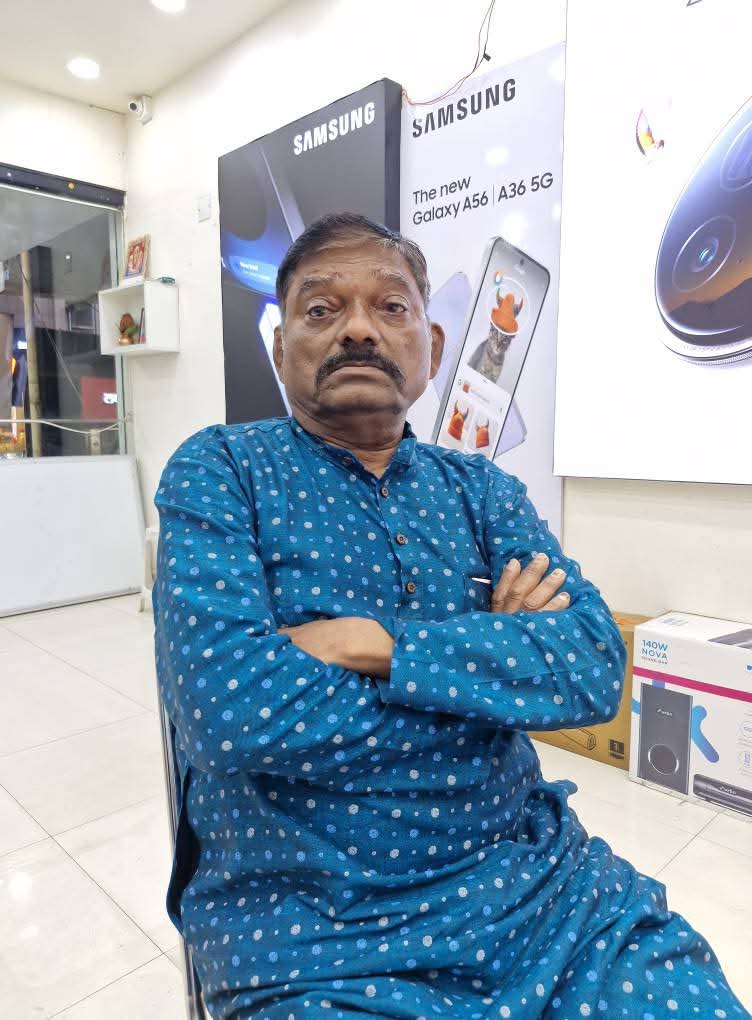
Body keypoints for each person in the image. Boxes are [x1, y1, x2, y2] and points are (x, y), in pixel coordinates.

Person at [153, 213, 748, 1020]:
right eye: (322, 309)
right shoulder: (222, 470)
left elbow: (594, 667)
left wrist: (376, 646)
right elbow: (230, 713)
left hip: (542, 892)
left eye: (390, 307)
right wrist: (490, 684)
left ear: (431, 347)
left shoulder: (482, 491)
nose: (358, 329)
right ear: (281, 346)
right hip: (315, 931)